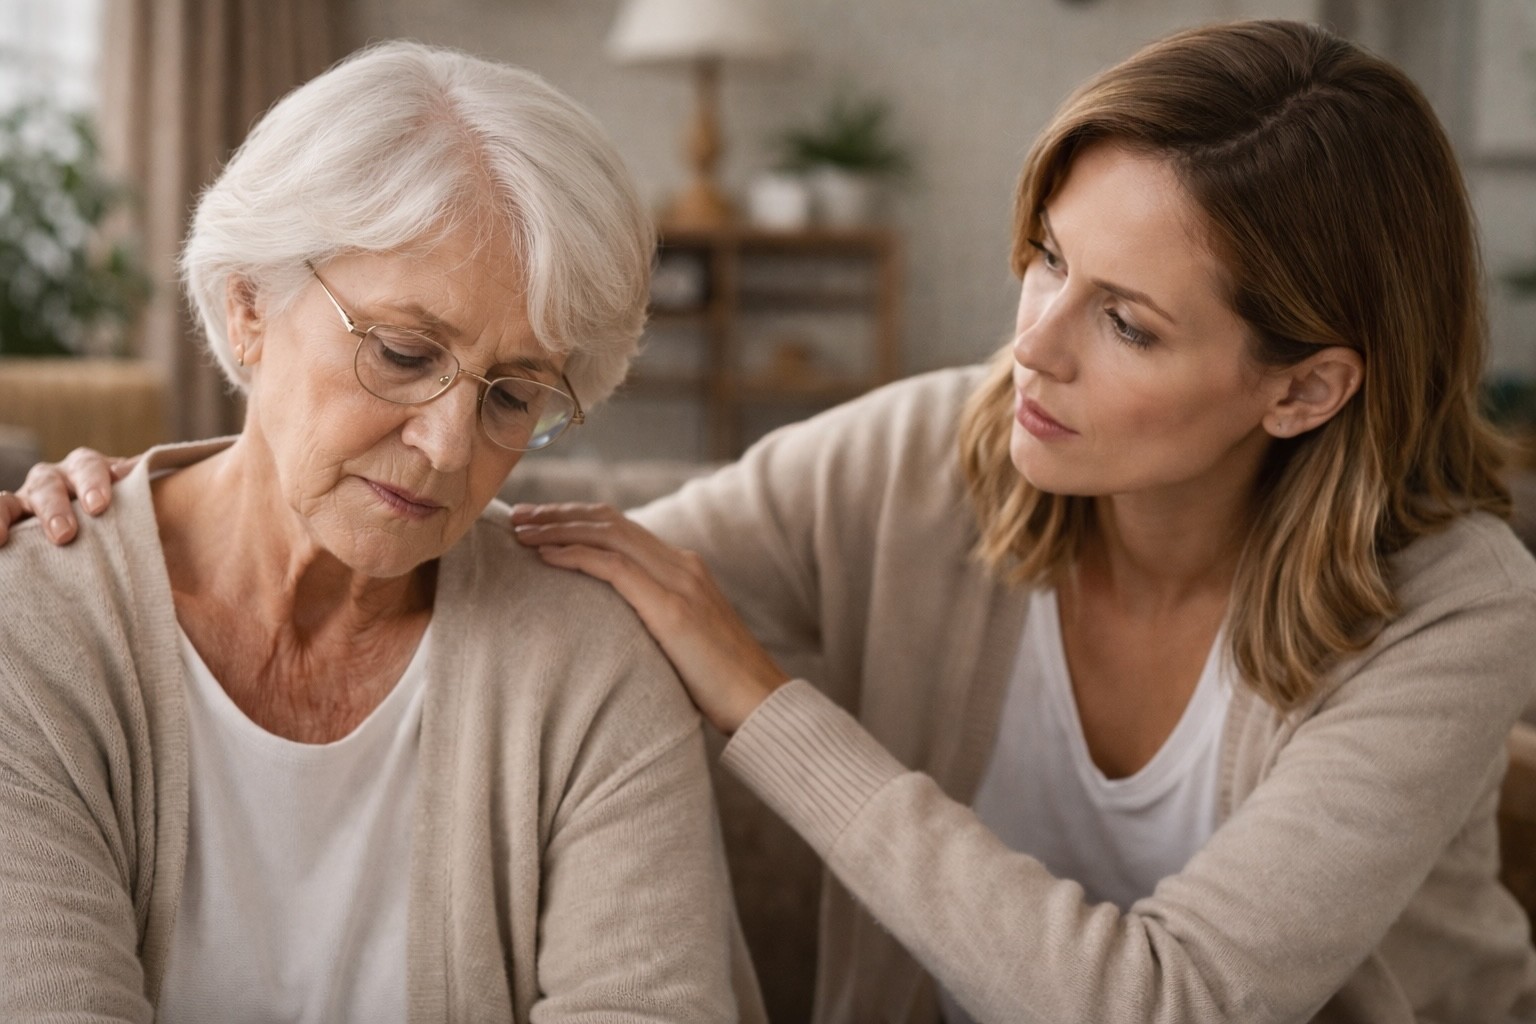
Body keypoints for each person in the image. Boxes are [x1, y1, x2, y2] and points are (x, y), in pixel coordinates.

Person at [10, 19, 1536, 1024]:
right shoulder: (939, 456)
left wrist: (758, 697)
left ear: (1306, 388)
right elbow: (533, 529)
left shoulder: (1456, 607)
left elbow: (1172, 1005)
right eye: (1045, 260)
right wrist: (141, 504)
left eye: (1127, 321)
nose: (1039, 345)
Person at [0, 41, 758, 1023]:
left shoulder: (590, 661)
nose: (449, 444)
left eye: (513, 394)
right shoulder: (37, 624)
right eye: (404, 353)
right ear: (248, 308)